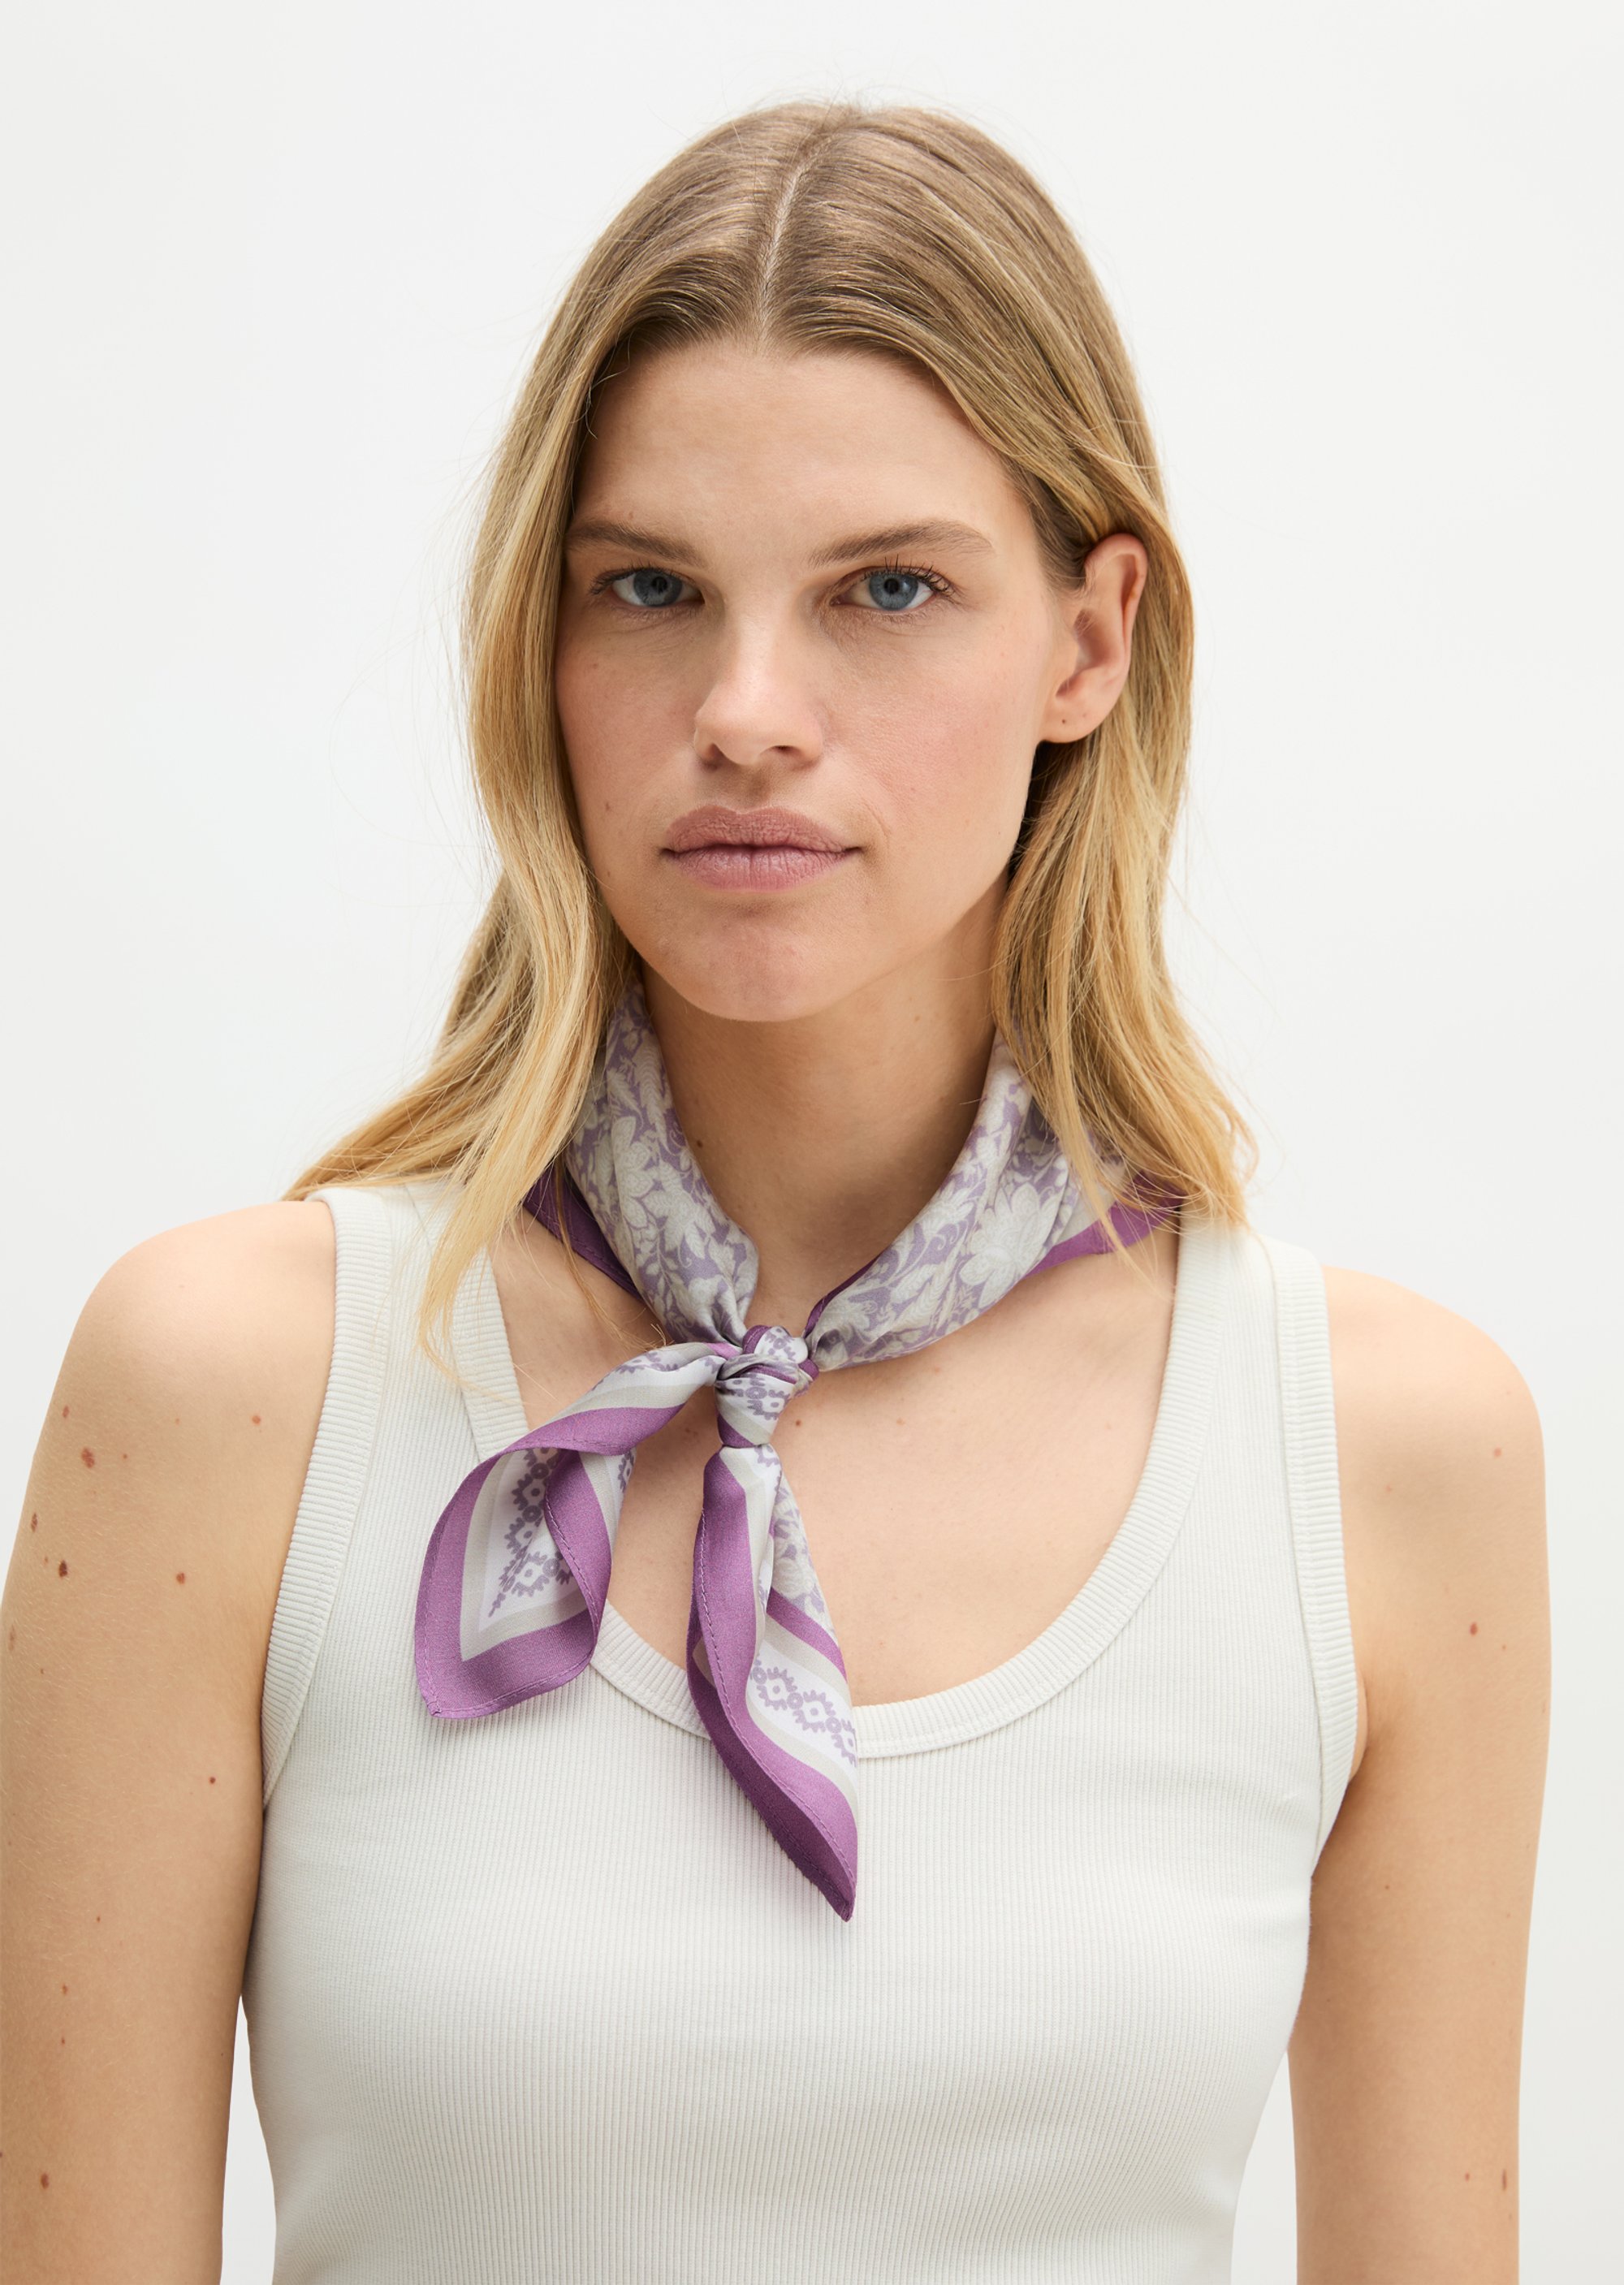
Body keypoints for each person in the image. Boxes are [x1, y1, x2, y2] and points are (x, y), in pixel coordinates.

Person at [2, 99, 1548, 2284]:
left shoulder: (1376, 1454)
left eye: (885, 591)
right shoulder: (232, 1396)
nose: (744, 712)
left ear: (1091, 640)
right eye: (649, 590)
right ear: (542, 644)